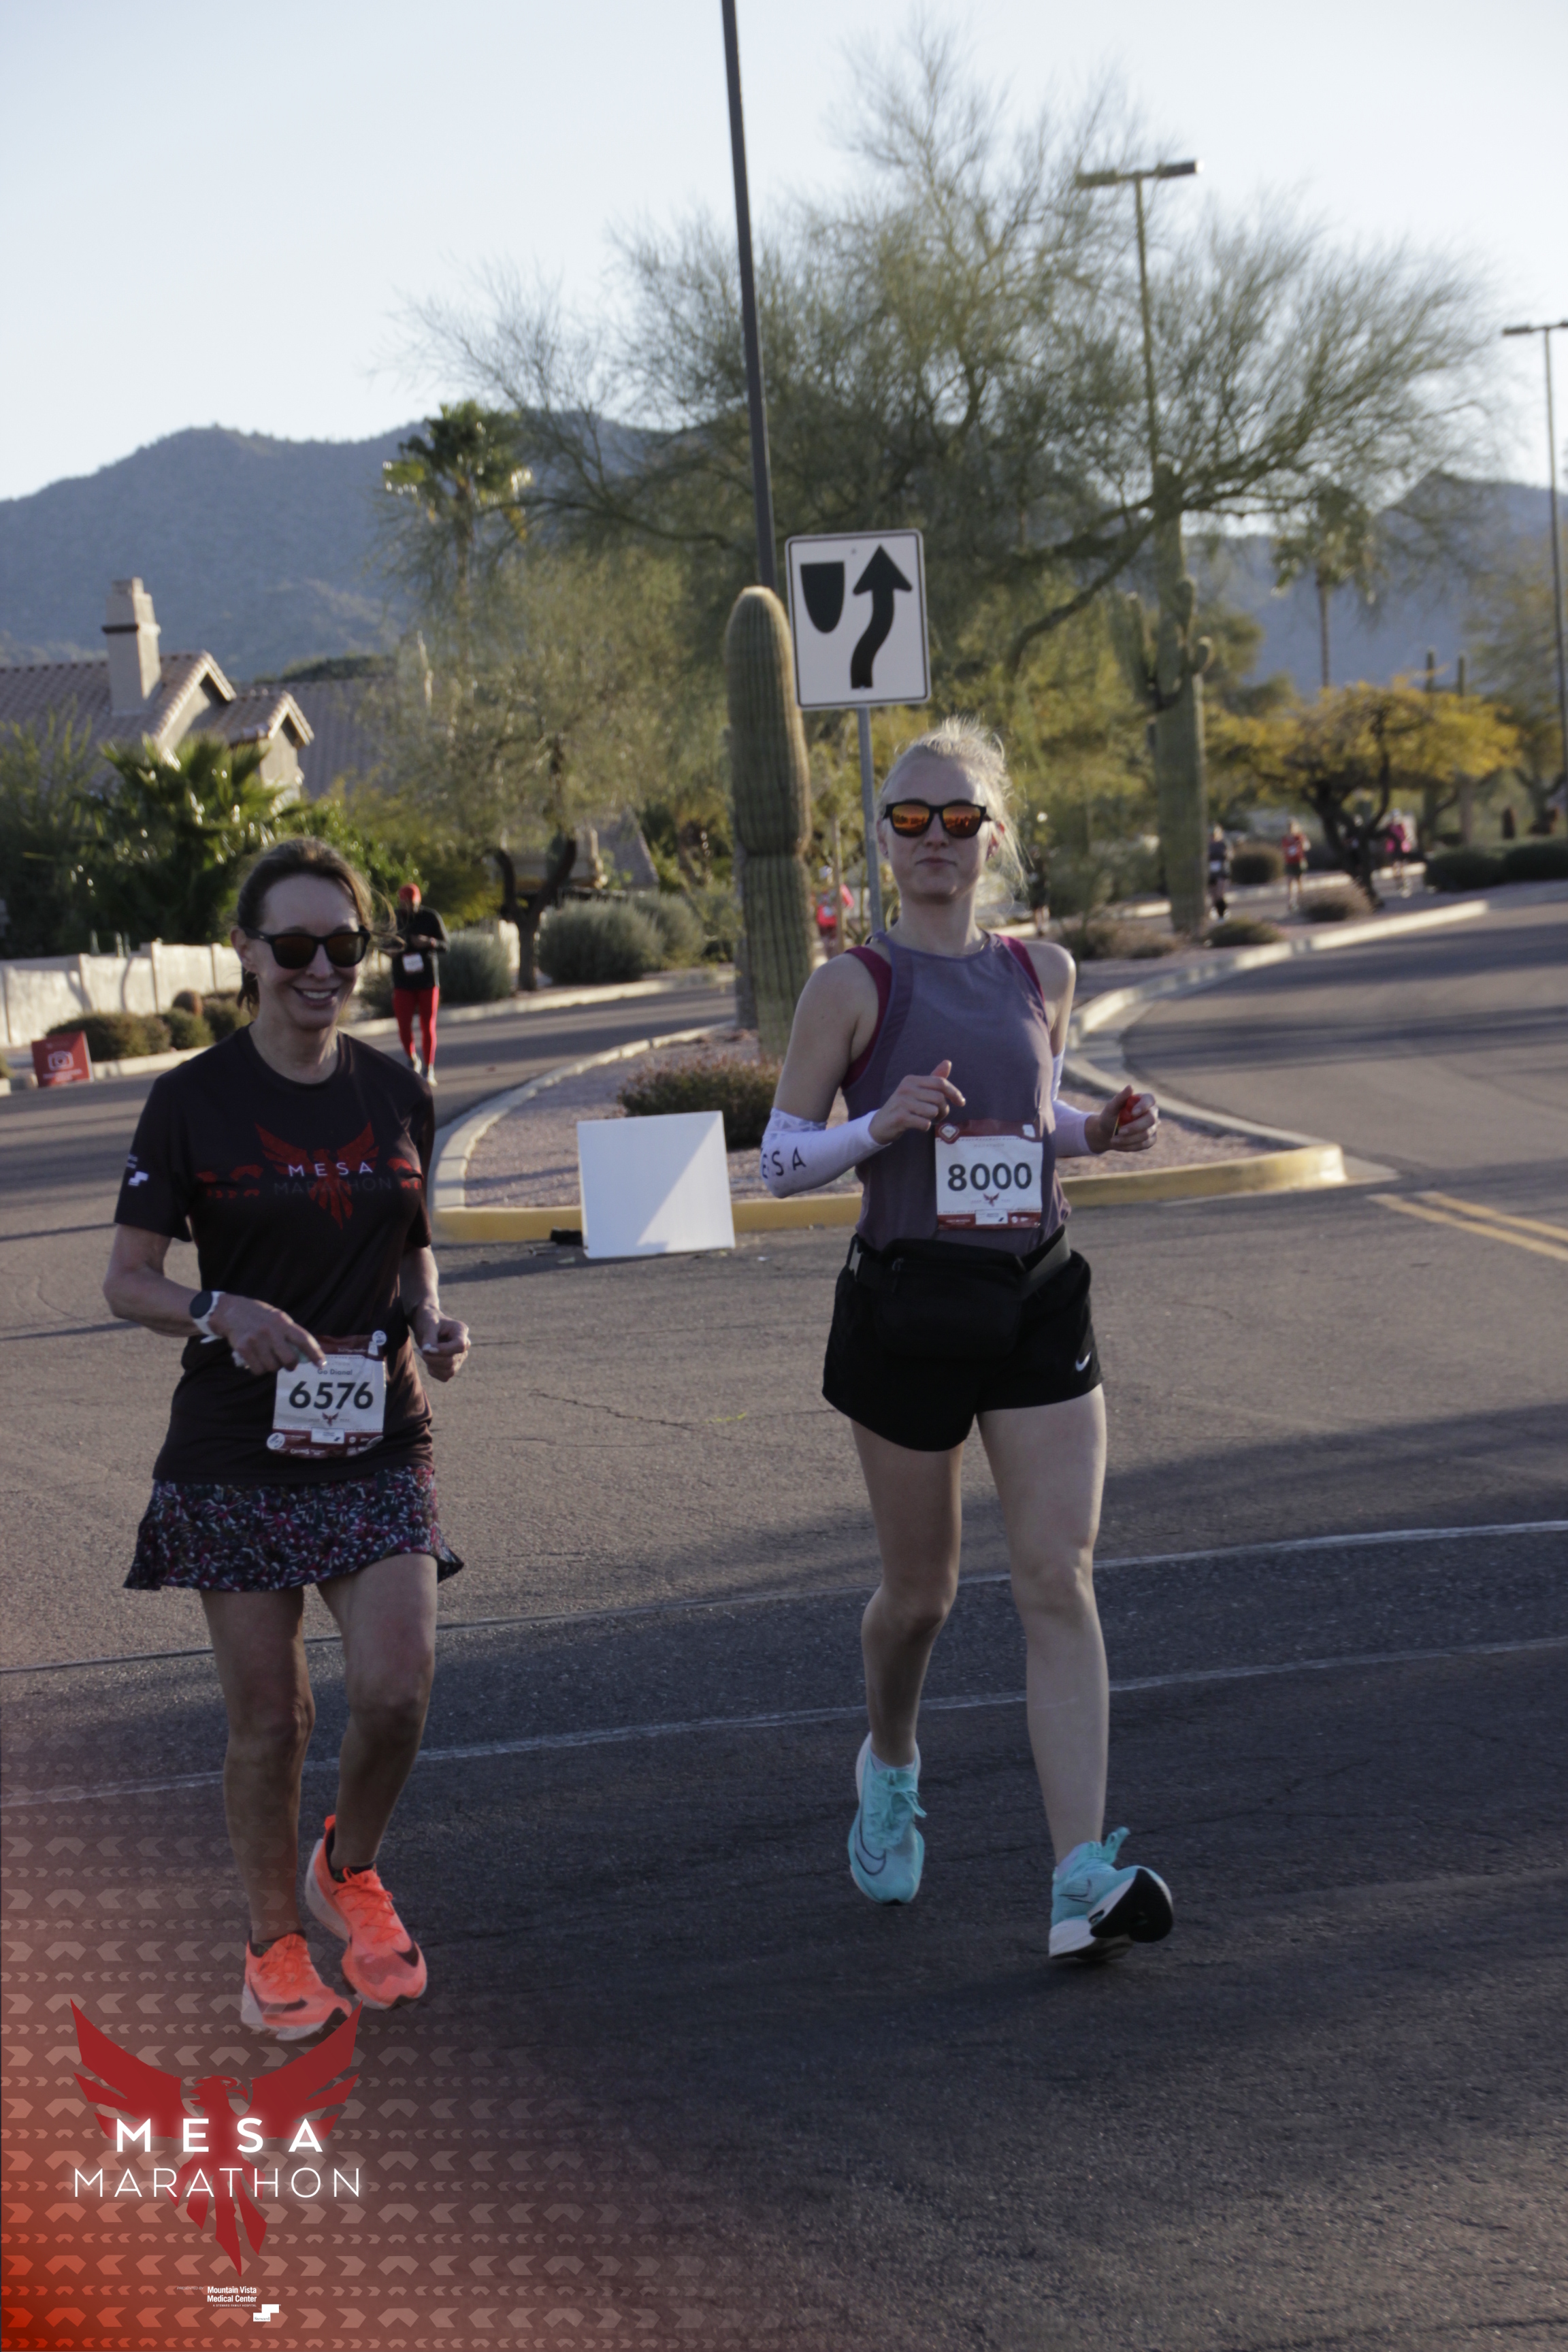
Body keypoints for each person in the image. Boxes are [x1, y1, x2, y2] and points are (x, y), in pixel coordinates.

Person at [759, 717, 1174, 1962]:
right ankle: (889, 1760)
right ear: (882, 840)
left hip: (1035, 1294)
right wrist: (875, 1126)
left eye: (957, 819)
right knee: (920, 1596)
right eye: (909, 818)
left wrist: (1094, 1134)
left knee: (1058, 1574)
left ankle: (1078, 1877)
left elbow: (1030, 1118)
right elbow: (779, 1161)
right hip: (907, 1307)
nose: (933, 838)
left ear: (994, 839)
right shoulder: (850, 986)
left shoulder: (1042, 971)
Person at [103, 838, 471, 2040]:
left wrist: (430, 1313)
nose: (323, 968)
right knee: (273, 1721)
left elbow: (410, 1241)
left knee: (397, 1692)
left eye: (344, 945)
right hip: (238, 1448)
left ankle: (344, 1868)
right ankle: (273, 1945)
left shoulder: (396, 1089)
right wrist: (222, 1309)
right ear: (248, 954)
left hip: (376, 1430)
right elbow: (128, 1279)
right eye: (297, 946)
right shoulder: (191, 1100)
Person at [391, 882, 448, 1083]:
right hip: (402, 980)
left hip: (427, 980)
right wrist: (391, 950)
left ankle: (429, 1068)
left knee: (428, 1025)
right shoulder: (394, 919)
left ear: (418, 901)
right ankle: (412, 1058)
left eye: (413, 903)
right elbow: (384, 943)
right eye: (406, 903)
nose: (410, 907)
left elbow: (445, 945)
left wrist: (429, 942)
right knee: (403, 1025)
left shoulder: (430, 917)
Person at [1207, 825, 1232, 922]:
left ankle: (1222, 914)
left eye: (1214, 834)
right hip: (1211, 873)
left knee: (1220, 893)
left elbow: (1229, 855)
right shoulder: (1206, 846)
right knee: (1213, 896)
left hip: (1221, 872)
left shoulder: (1223, 844)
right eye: (1210, 835)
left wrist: (1226, 855)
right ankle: (1216, 911)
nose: (1212, 837)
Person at [1281, 819, 1307, 911]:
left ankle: (1303, 902)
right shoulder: (1285, 838)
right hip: (1289, 862)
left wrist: (1300, 845)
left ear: (1296, 827)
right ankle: (1291, 903)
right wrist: (1286, 853)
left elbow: (1306, 846)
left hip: (1299, 862)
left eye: (1292, 827)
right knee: (1290, 883)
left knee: (1300, 883)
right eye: (1289, 827)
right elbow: (1283, 849)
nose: (1290, 829)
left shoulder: (1299, 837)